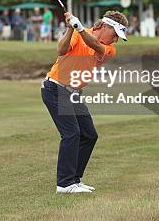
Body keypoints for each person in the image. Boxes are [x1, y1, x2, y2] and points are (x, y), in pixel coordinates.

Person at [42, 10, 128, 194]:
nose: (116, 40)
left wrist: (79, 29)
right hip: (56, 88)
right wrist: (69, 29)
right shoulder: (76, 33)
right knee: (72, 133)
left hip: (73, 94)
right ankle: (64, 184)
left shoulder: (108, 48)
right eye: (115, 35)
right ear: (105, 26)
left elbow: (95, 45)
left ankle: (74, 180)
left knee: (89, 134)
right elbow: (61, 50)